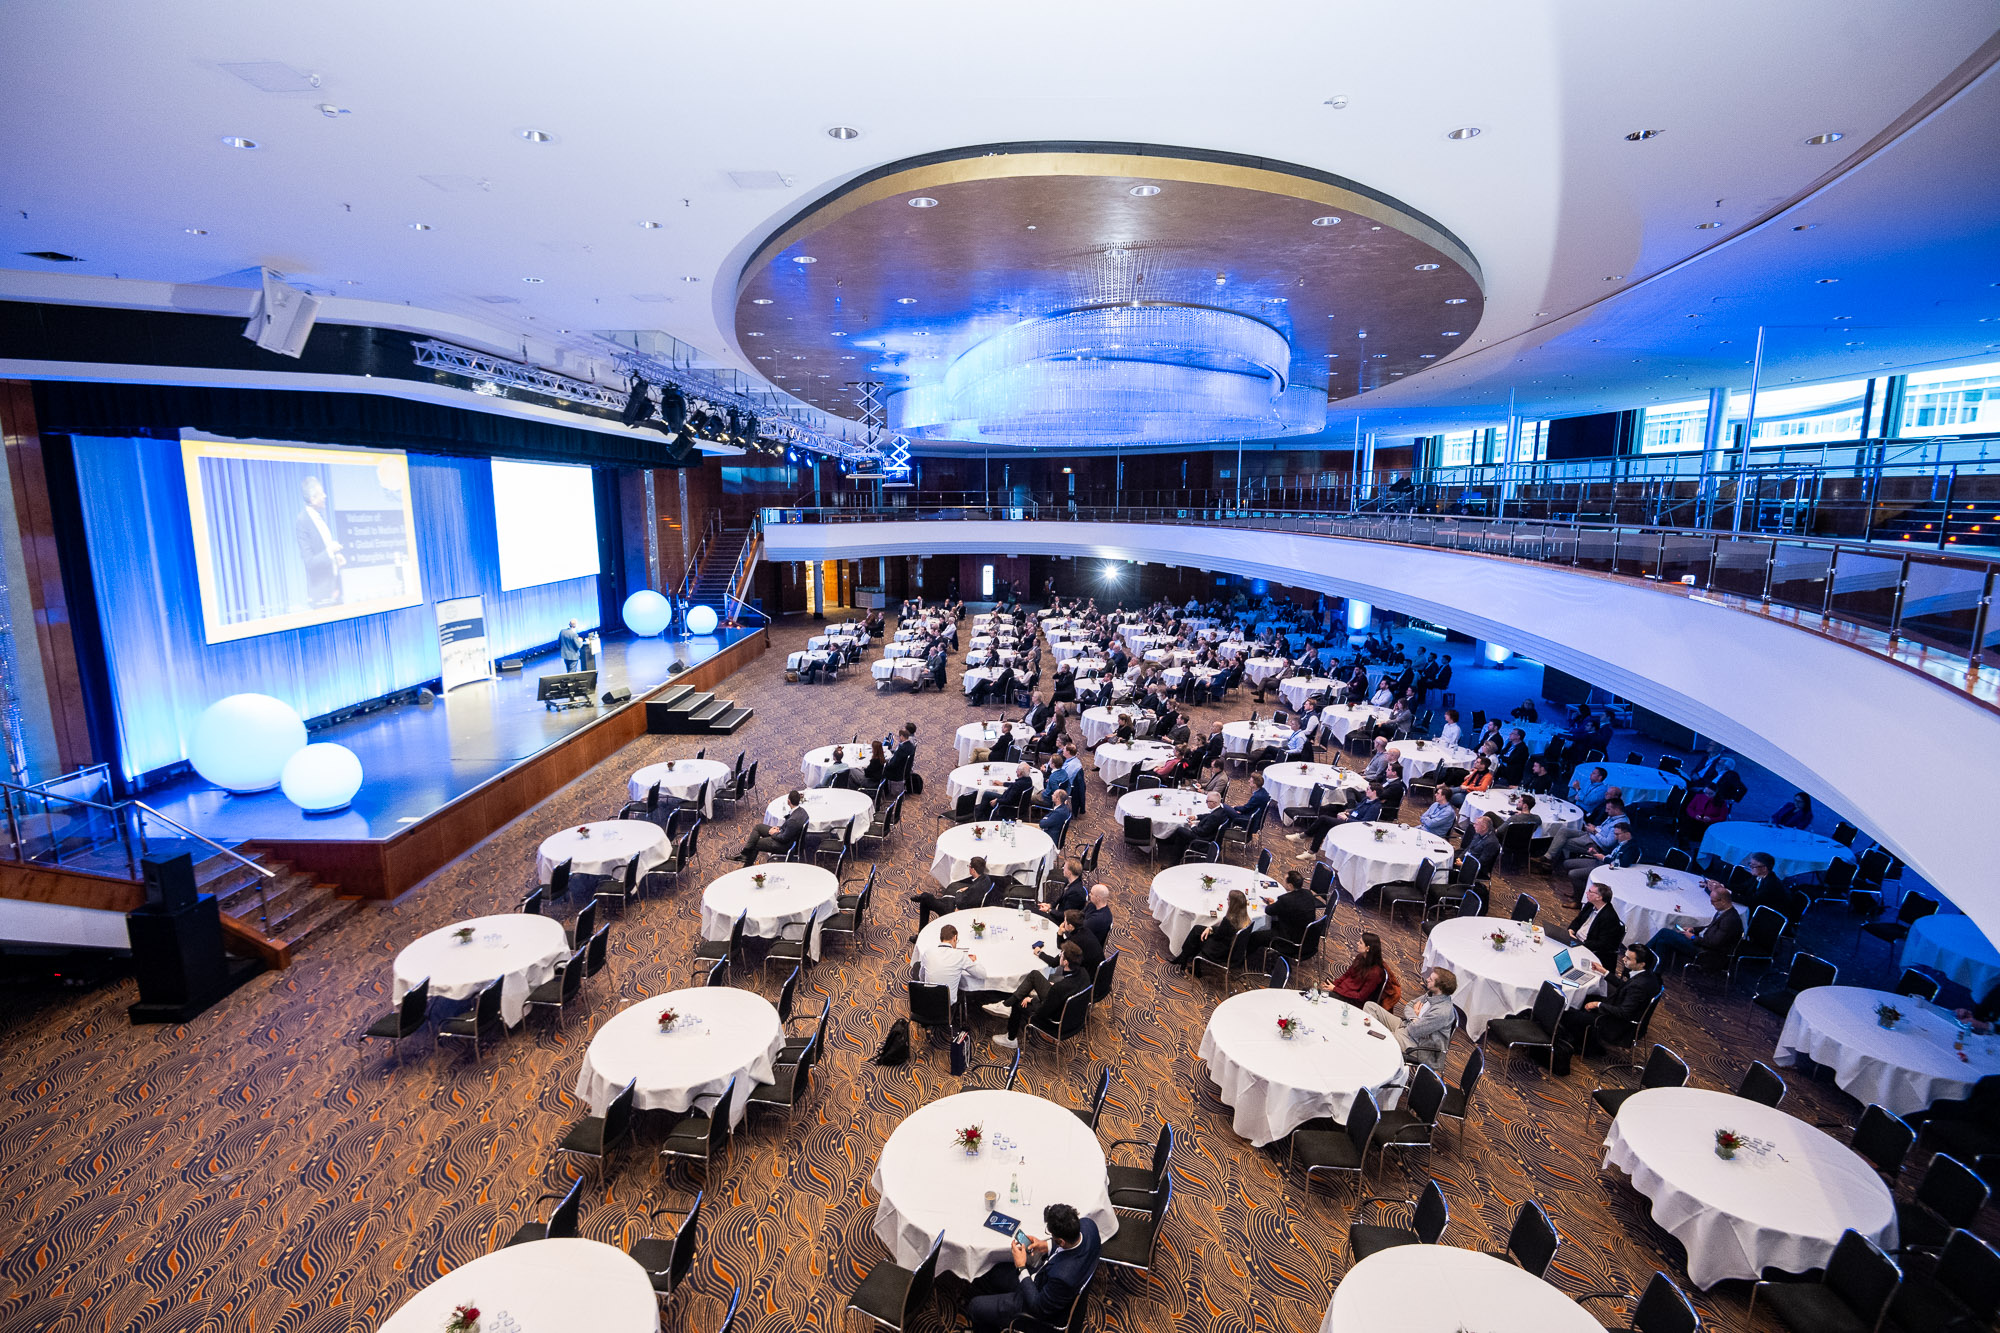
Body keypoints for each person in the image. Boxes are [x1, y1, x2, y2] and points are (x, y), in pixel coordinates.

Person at [964, 1201, 1102, 1333]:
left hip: (1038, 1306)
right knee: (993, 1271)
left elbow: (1037, 1307)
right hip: (1043, 1279)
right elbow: (1069, 1244)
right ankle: (994, 1315)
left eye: (1051, 1235)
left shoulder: (1062, 1278)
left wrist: (1021, 1267)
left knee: (975, 1307)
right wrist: (1046, 1245)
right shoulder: (1088, 1226)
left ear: (1061, 1241)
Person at [991, 940, 1095, 1050]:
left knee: (1019, 1002)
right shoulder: (1084, 973)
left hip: (1056, 1021)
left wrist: (1032, 1000)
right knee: (1034, 975)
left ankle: (1010, 1039)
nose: (1059, 955)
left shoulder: (1059, 988)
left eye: (1061, 954)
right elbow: (1069, 988)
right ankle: (1006, 1004)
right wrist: (1055, 986)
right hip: (1075, 1017)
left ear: (1065, 962)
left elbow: (1042, 1012)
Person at [1560, 945, 1662, 1053]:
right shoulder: (1649, 976)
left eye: (1628, 958)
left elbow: (1624, 1013)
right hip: (1627, 1012)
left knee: (1568, 1014)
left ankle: (1586, 1047)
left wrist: (1598, 1004)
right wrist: (1604, 972)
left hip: (1621, 1025)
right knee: (1588, 997)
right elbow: (1626, 987)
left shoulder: (1639, 986)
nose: (1623, 959)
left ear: (1641, 964)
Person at [1364, 967, 1458, 1072]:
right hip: (1407, 1025)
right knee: (1370, 1006)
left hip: (1416, 1042)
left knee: (1377, 1037)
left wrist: (1415, 1017)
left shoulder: (1442, 1012)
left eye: (1431, 979)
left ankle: (1371, 1061)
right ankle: (1373, 1042)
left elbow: (1414, 1031)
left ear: (1439, 987)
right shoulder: (1432, 994)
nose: (1427, 979)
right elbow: (1409, 1005)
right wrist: (1414, 1017)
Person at [1646, 881, 1744, 968]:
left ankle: (1641, 956)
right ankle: (1655, 970)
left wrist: (1692, 937)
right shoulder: (1724, 912)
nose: (1711, 904)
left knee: (1664, 932)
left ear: (1722, 901)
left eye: (1713, 901)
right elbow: (1710, 927)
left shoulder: (1730, 920)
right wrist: (1693, 929)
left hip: (1707, 952)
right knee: (1662, 942)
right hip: (1702, 943)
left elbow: (1713, 944)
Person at [1551, 797, 1630, 887]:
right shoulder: (1612, 817)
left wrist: (1594, 831)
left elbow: (1607, 843)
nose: (1606, 811)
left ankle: (1550, 864)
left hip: (1596, 844)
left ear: (1617, 810)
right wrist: (1594, 828)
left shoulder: (1621, 824)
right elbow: (1603, 830)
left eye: (1608, 809)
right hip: (1590, 835)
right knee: (1563, 831)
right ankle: (1548, 857)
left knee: (1562, 842)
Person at [294, 474, 345, 607]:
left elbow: (323, 550)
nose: (325, 496)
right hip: (322, 595)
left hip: (335, 589)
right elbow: (310, 562)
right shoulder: (303, 521)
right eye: (321, 494)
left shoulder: (320, 516)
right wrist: (330, 552)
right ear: (313, 499)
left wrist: (335, 557)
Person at [1171, 889, 1251, 973]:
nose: (1227, 901)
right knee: (1197, 929)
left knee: (1199, 936)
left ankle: (1187, 960)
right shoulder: (1245, 919)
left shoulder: (1229, 920)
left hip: (1221, 952)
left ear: (1233, 904)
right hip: (1233, 949)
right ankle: (1185, 958)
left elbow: (1218, 936)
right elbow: (1224, 931)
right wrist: (1210, 928)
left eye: (1228, 900)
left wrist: (1210, 930)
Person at [910, 856, 997, 932]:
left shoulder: (975, 889)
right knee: (930, 899)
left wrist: (959, 892)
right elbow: (974, 892)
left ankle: (920, 932)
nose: (969, 868)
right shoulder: (986, 879)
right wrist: (967, 889)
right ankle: (922, 899)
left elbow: (960, 904)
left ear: (973, 870)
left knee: (926, 898)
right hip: (963, 903)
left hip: (954, 909)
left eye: (969, 866)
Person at [1565, 818, 1640, 901]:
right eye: (1615, 834)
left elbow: (1623, 863)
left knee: (1574, 874)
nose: (1615, 837)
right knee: (1567, 863)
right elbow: (1610, 855)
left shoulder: (1632, 847)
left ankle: (1579, 899)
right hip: (1602, 862)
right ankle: (1578, 891)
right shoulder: (1621, 841)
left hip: (1608, 868)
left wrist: (1604, 858)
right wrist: (1596, 853)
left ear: (1627, 834)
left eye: (1617, 834)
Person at [1156, 790, 1234, 862]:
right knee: (1181, 832)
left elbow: (1202, 832)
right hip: (1211, 837)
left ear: (1214, 803)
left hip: (1204, 841)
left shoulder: (1214, 817)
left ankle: (1175, 860)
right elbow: (1208, 815)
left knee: (1180, 831)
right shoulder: (1221, 810)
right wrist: (1196, 817)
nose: (1206, 803)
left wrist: (1193, 826)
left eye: (1207, 801)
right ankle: (1172, 844)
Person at [1565, 880, 1626, 971]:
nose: (1586, 893)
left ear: (1599, 897)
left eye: (1590, 891)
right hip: (1576, 941)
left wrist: (1580, 943)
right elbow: (1577, 920)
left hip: (1589, 949)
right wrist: (1571, 930)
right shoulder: (1590, 905)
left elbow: (1603, 944)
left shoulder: (1609, 917)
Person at [737, 789, 808, 865]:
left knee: (756, 843)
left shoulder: (793, 821)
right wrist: (779, 828)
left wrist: (773, 833)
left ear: (788, 801)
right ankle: (745, 853)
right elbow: (789, 827)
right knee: (758, 827)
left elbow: (784, 839)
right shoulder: (802, 811)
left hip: (785, 845)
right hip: (784, 833)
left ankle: (747, 866)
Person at [918, 923, 987, 998]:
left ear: (941, 938)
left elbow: (922, 976)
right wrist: (975, 961)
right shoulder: (960, 955)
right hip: (948, 1002)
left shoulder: (928, 953)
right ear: (955, 937)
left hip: (927, 999)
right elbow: (982, 975)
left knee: (916, 966)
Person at [1262, 868, 1321, 945]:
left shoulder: (1285, 899)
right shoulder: (1308, 893)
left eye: (1284, 880)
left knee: (1255, 936)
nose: (1282, 881)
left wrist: (1271, 904)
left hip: (1290, 938)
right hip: (1308, 935)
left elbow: (1268, 911)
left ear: (1290, 885)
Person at [1330, 932, 1389, 1006]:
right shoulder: (1360, 957)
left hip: (1354, 1002)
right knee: (1321, 993)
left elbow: (1360, 997)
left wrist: (1335, 989)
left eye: (1361, 943)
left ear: (1367, 948)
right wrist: (1334, 984)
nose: (1357, 943)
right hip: (1344, 991)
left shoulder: (1375, 973)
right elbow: (1347, 975)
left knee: (1323, 997)